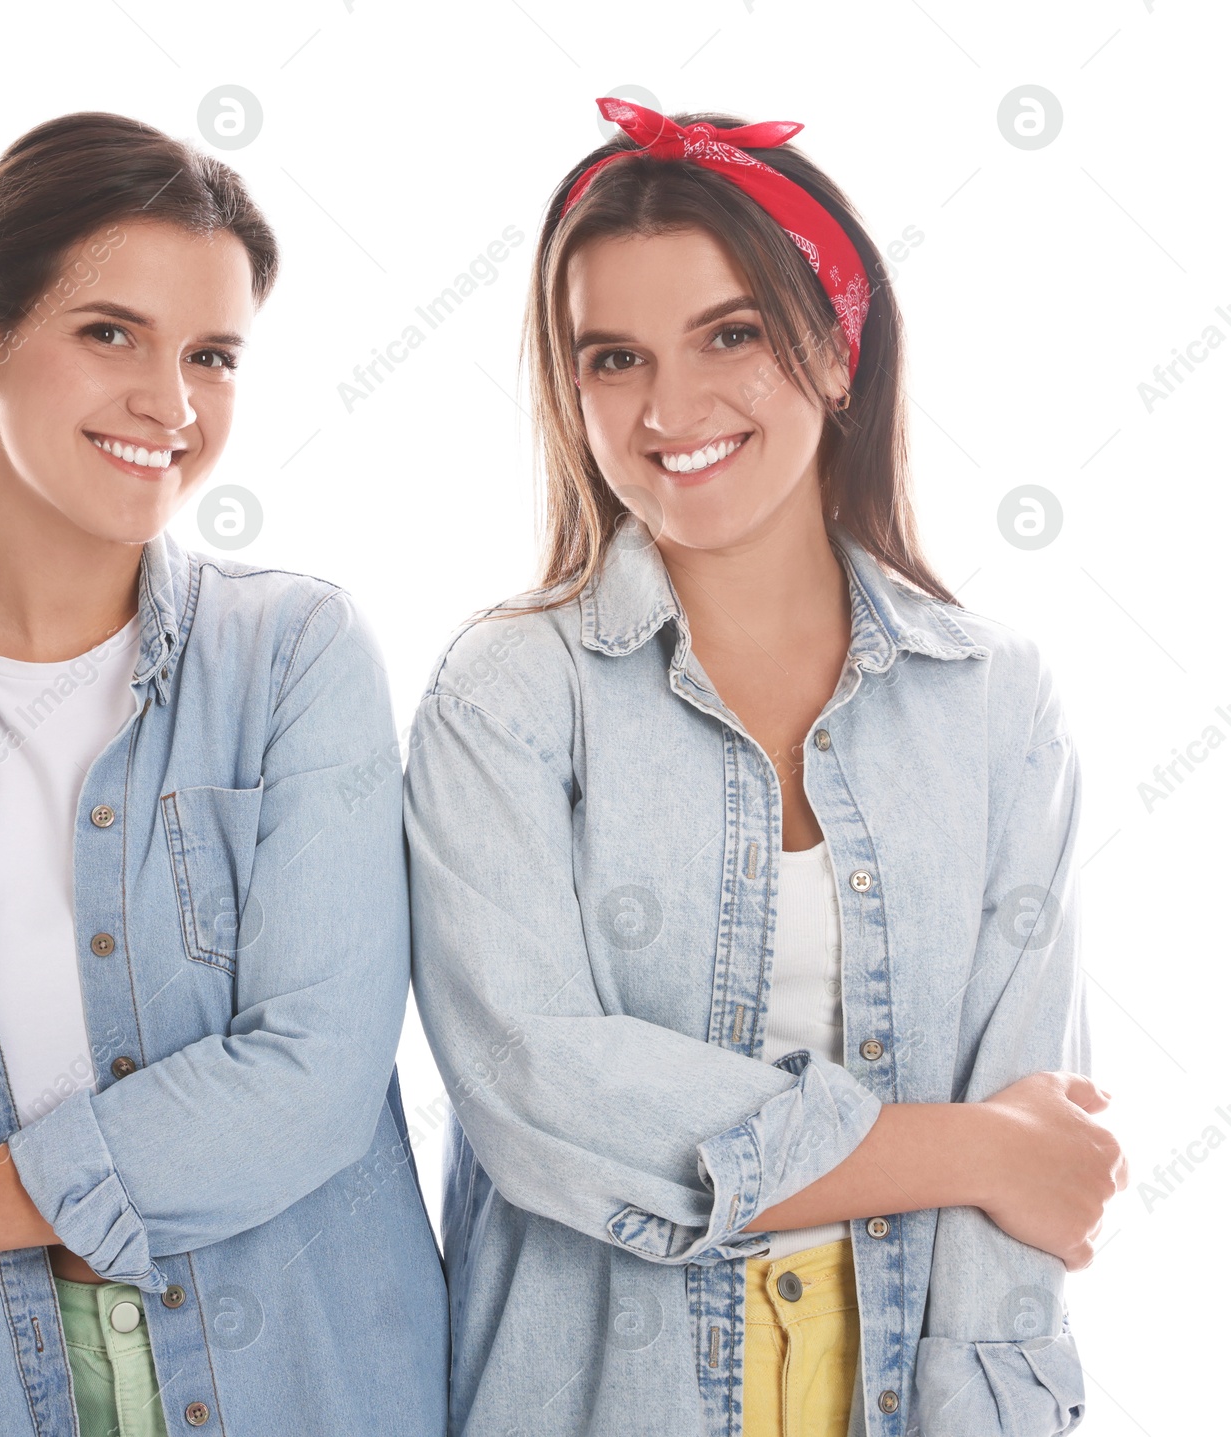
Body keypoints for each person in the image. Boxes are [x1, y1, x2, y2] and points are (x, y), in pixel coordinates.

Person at [403, 98, 1126, 1437]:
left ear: (837, 351)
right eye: (613, 358)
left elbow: (1031, 1172)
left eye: (728, 334)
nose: (670, 407)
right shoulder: (506, 698)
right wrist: (972, 1151)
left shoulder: (995, 700)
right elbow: (538, 1094)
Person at [0, 111, 447, 1437]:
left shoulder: (295, 658)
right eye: (111, 333)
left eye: (213, 356)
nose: (171, 407)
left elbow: (309, 1085)